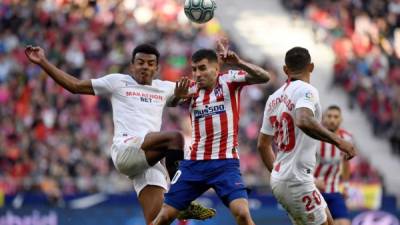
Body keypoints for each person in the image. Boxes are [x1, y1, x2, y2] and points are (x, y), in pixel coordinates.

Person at [24, 44, 215, 224]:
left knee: (157, 221)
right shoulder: (117, 82)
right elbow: (75, 86)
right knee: (176, 138)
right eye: (140, 62)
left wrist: (184, 93)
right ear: (132, 66)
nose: (145, 67)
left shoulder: (164, 87)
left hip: (149, 161)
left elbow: (198, 89)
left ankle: (178, 202)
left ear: (157, 68)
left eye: (150, 64)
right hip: (127, 149)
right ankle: (182, 198)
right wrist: (42, 61)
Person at [152, 40, 270, 225]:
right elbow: (171, 103)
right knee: (165, 216)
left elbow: (264, 77)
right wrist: (177, 95)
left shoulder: (229, 80)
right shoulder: (191, 89)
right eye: (194, 69)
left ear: (216, 69)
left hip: (225, 164)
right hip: (193, 165)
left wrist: (239, 63)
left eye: (202, 68)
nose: (197, 74)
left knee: (242, 213)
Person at [256, 47, 356, 225]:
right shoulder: (307, 91)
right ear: (311, 67)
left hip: (288, 179)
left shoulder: (273, 98)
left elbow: (262, 145)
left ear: (285, 70)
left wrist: (279, 175)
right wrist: (339, 142)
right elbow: (303, 120)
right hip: (297, 180)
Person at [314, 105, 353, 225]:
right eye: (329, 116)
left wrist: (346, 186)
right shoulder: (314, 137)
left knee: (344, 222)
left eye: (336, 117)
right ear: (323, 118)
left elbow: (346, 163)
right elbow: (301, 163)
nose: (332, 120)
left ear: (341, 119)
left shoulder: (347, 138)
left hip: (334, 190)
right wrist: (313, 180)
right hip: (314, 190)